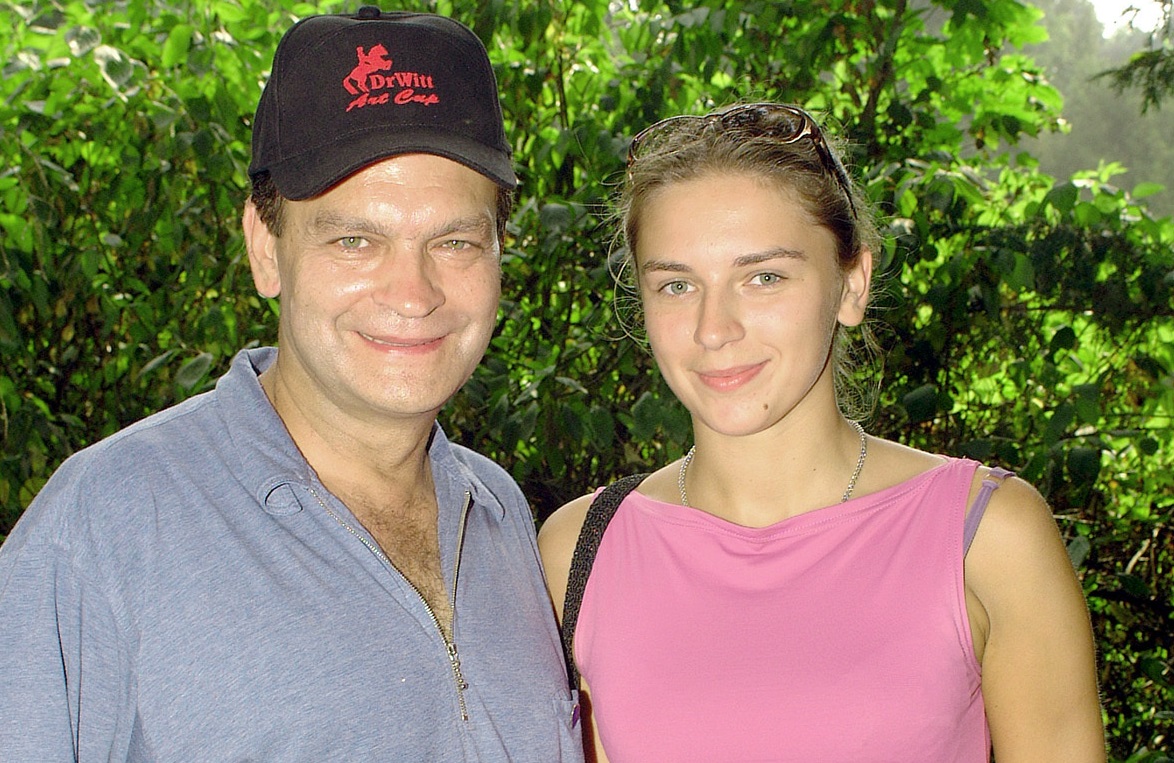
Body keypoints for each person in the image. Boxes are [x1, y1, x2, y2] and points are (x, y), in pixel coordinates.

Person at [0, 8, 584, 761]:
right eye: (354, 239)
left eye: (455, 241)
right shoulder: (107, 524)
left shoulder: (498, 512)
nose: (413, 293)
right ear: (265, 247)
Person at [539, 103, 1105, 762]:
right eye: (676, 285)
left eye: (764, 277)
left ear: (852, 285)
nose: (713, 329)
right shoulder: (578, 552)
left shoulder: (985, 536)